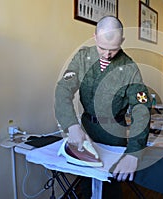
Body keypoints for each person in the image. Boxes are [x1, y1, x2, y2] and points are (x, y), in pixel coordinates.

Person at [54, 15, 152, 198]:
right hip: (86, 130)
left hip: (114, 134)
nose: (107, 54)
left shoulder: (130, 68)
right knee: (85, 182)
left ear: (122, 41)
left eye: (113, 50)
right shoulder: (83, 57)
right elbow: (63, 90)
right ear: (95, 37)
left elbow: (141, 109)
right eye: (102, 48)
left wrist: (134, 152)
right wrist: (71, 125)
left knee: (110, 187)